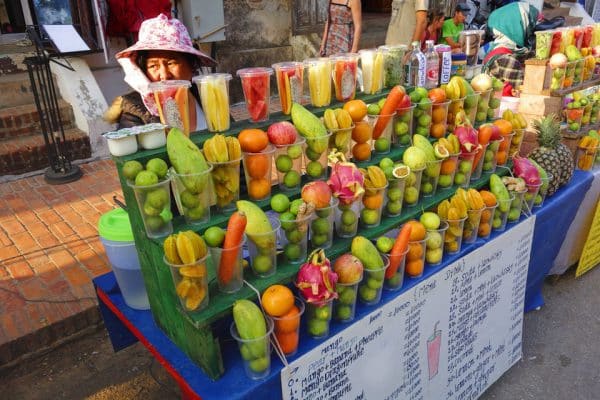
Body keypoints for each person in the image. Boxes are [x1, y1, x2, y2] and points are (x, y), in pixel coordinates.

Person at [104, 13, 217, 129]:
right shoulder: (135, 114)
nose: (164, 76)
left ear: (191, 65)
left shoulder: (207, 96)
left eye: (171, 63)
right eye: (153, 66)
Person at [482, 1, 539, 92]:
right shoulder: (506, 60)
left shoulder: (496, 49)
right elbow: (524, 91)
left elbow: (523, 56)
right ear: (517, 28)